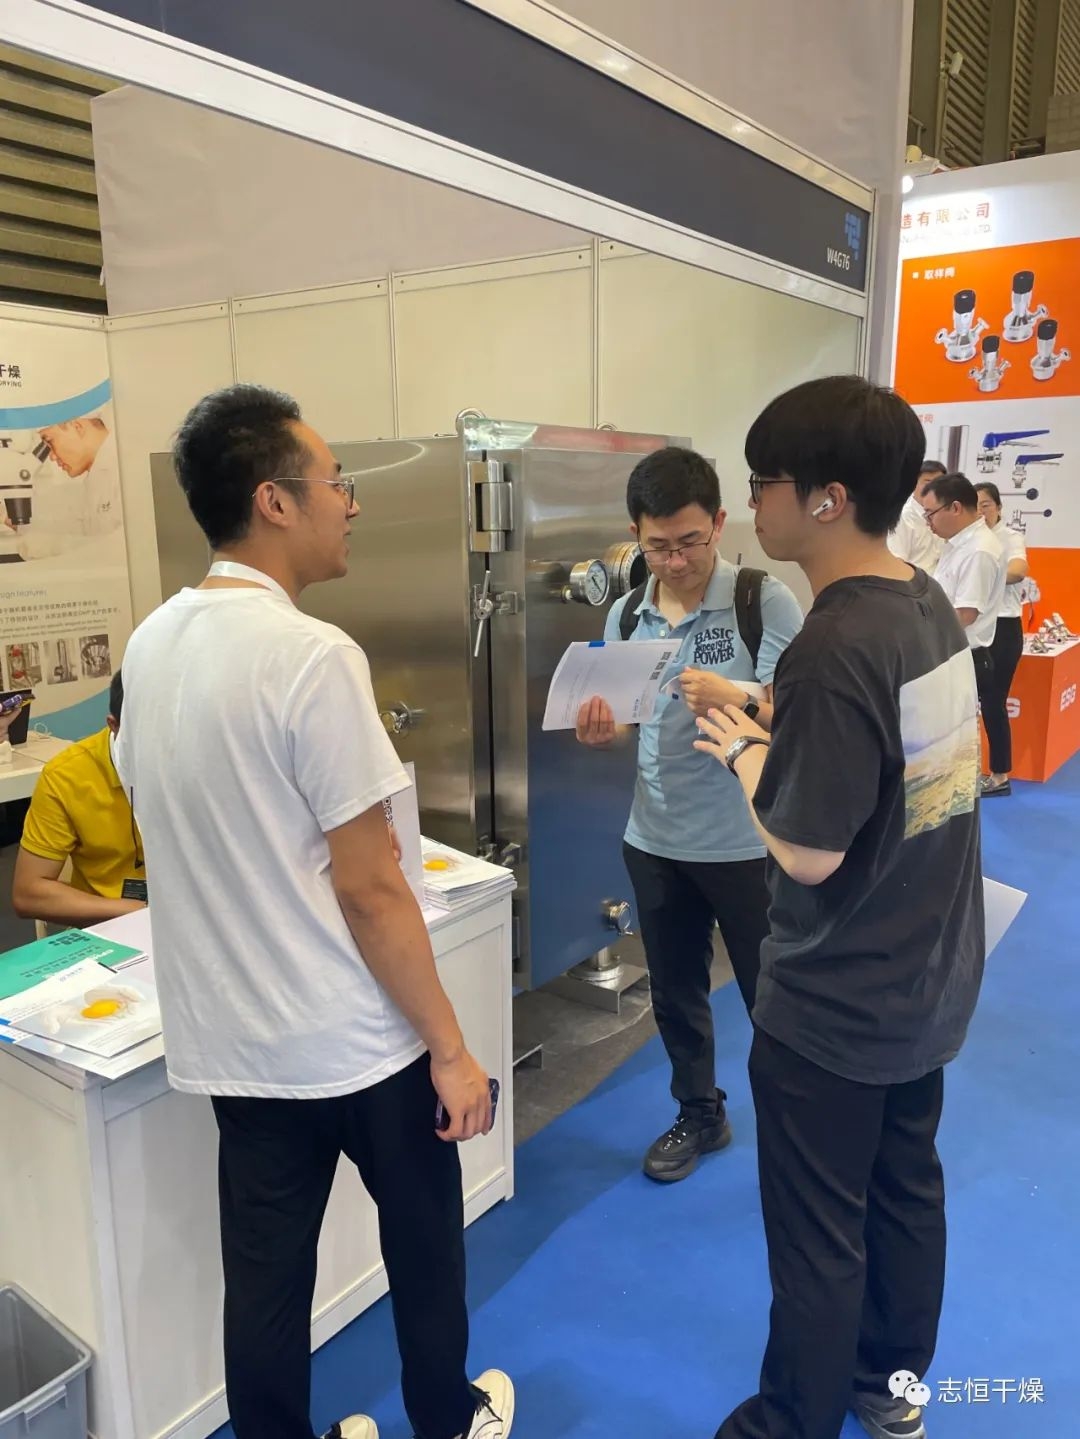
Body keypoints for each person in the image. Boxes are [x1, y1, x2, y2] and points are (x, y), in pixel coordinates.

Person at [114, 385, 512, 1439]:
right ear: (274, 500)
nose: (352, 502)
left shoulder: (152, 643)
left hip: (234, 1042)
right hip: (355, 1037)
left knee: (265, 1284)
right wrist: (450, 1047)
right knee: (424, 1243)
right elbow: (370, 886)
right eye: (337, 482)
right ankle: (448, 1420)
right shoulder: (310, 654)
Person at [694, 375, 984, 1439]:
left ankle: (793, 1418)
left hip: (837, 999)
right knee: (906, 1192)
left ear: (825, 498)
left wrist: (742, 750)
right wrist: (767, 709)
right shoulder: (922, 601)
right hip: (926, 974)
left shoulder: (831, 638)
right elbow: (901, 756)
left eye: (760, 481)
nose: (751, 504)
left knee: (819, 1230)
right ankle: (891, 1387)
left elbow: (809, 852)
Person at [575, 446, 803, 1183]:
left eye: (690, 542)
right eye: (658, 546)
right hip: (655, 837)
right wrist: (604, 729)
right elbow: (630, 716)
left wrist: (737, 695)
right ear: (636, 536)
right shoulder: (626, 612)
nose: (675, 562)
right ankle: (700, 1113)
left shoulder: (763, 599)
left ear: (719, 523)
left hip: (748, 840)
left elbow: (798, 707)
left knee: (776, 994)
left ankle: (799, 1126)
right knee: (675, 992)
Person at [12, 673, 146, 928]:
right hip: (112, 924)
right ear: (114, 726)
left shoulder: (205, 760)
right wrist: (144, 912)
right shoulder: (67, 775)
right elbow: (29, 893)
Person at [920, 472, 1009, 799]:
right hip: (950, 652)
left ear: (955, 508)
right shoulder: (959, 544)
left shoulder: (979, 550)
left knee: (953, 741)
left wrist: (917, 632)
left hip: (962, 655)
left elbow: (965, 614)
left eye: (931, 513)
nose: (928, 522)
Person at [974, 481, 1029, 796]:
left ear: (998, 507)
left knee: (994, 702)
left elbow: (1018, 570)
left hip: (1004, 628)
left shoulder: (1010, 537)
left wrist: (986, 576)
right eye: (976, 506)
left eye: (986, 505)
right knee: (971, 703)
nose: (981, 511)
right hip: (975, 629)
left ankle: (999, 775)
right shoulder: (967, 540)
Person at [7, 413, 121, 561]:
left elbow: (119, 550)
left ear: (77, 427)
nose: (52, 457)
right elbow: (74, 525)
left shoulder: (125, 467)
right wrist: (11, 518)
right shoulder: (97, 476)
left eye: (50, 441)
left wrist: (50, 546)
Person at [886, 458, 945, 573]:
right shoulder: (902, 517)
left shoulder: (944, 514)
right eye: (928, 482)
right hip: (913, 582)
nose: (934, 488)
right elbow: (897, 561)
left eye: (939, 483)